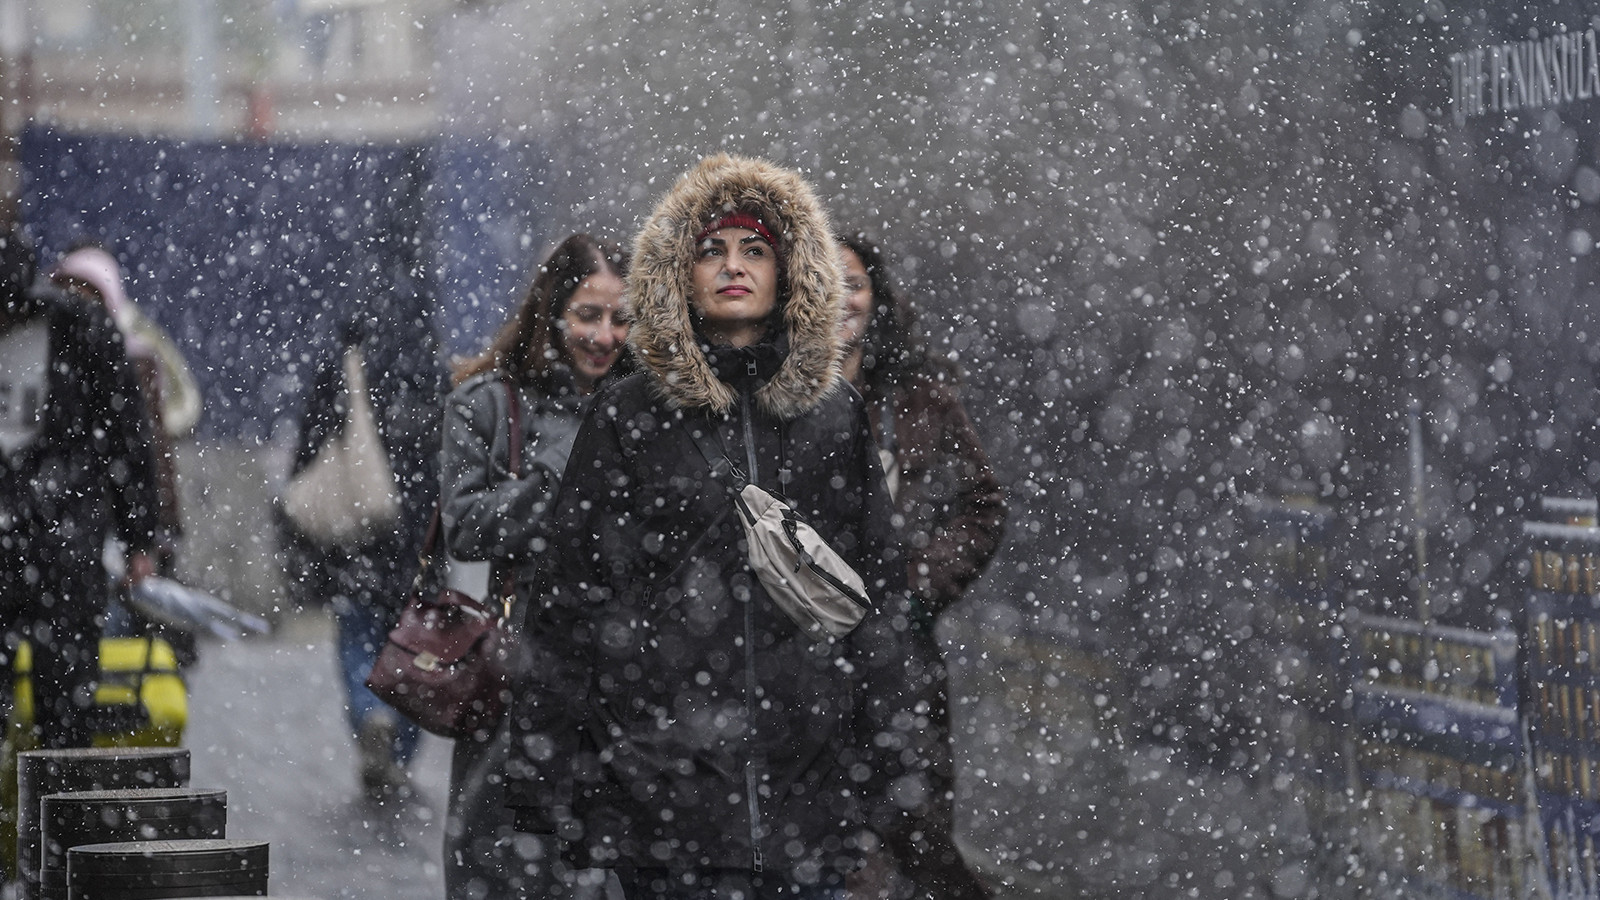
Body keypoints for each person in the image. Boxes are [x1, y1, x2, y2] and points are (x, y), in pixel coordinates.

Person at [506, 154, 922, 900]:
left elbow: (879, 599)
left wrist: (890, 769)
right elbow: (569, 600)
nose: (733, 266)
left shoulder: (833, 417)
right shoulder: (629, 414)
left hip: (809, 794)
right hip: (660, 798)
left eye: (755, 249)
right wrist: (545, 788)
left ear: (791, 269)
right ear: (680, 272)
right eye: (712, 249)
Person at [439, 233, 631, 900]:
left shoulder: (650, 406)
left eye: (620, 317)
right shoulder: (490, 404)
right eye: (587, 315)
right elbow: (466, 527)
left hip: (631, 675)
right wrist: (560, 471)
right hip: (520, 669)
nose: (604, 336)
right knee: (497, 859)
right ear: (552, 311)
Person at [836, 233, 1007, 900]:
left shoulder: (917, 400)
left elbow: (981, 504)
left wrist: (919, 585)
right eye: (825, 283)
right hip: (791, 661)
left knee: (916, 838)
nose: (842, 299)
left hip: (894, 657)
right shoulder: (763, 396)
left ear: (875, 297)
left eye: (854, 283)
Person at [280, 277, 446, 804]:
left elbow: (309, 445)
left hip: (355, 529)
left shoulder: (343, 368)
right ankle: (400, 750)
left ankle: (369, 712)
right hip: (419, 530)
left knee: (355, 632)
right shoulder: (431, 372)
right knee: (416, 645)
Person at [0, 227, 162, 748]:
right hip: (56, 540)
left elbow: (128, 438)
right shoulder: (80, 328)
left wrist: (141, 538)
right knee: (61, 709)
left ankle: (57, 818)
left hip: (63, 545)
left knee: (64, 714)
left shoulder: (79, 329)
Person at [48, 241, 203, 661]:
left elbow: (143, 451)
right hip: (64, 526)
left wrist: (146, 535)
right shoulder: (39, 348)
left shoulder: (129, 357)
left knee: (105, 634)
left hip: (96, 523)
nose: (76, 304)